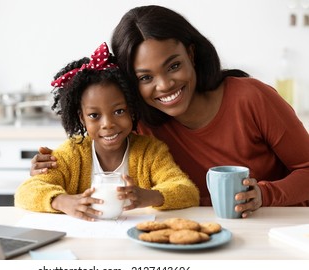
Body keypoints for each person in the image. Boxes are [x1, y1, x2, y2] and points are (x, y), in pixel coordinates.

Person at [30, 5, 309, 218]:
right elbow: (91, 152)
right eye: (145, 77)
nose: (164, 86)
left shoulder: (251, 98)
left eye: (173, 66)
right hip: (193, 234)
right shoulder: (138, 122)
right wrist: (47, 169)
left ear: (191, 53)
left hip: (276, 225)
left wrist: (264, 194)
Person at [15, 42, 200, 221]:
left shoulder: (150, 152)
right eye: (94, 115)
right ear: (82, 118)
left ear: (132, 110)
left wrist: (149, 196)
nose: (108, 124)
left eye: (119, 111)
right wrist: (62, 201)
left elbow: (187, 190)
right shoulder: (72, 154)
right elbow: (26, 191)